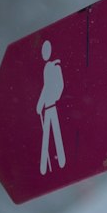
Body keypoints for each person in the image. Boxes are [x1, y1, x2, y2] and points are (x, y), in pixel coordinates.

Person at [37, 40, 66, 174]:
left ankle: (60, 161)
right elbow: (45, 87)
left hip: (52, 105)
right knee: (47, 135)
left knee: (54, 133)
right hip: (47, 106)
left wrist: (54, 98)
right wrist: (40, 104)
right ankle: (45, 166)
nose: (44, 54)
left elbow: (58, 85)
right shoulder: (46, 68)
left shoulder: (54, 67)